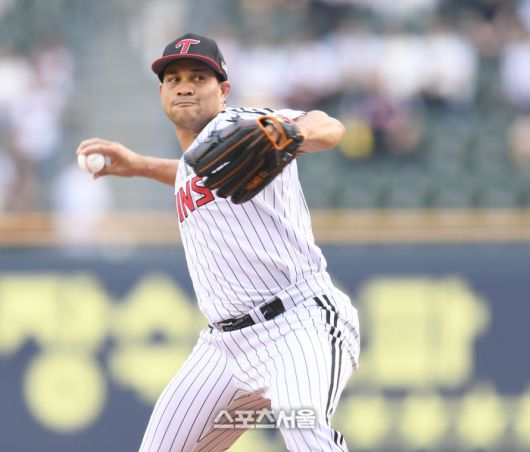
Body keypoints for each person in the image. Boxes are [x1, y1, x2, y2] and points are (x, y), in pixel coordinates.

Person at [77, 33, 360, 452]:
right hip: (224, 348)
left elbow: (329, 127)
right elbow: (193, 173)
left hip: (298, 323)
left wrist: (287, 132)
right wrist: (139, 166)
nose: (184, 87)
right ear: (161, 93)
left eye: (198, 77)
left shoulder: (240, 125)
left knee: (304, 424)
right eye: (173, 79)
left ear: (224, 91)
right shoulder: (199, 160)